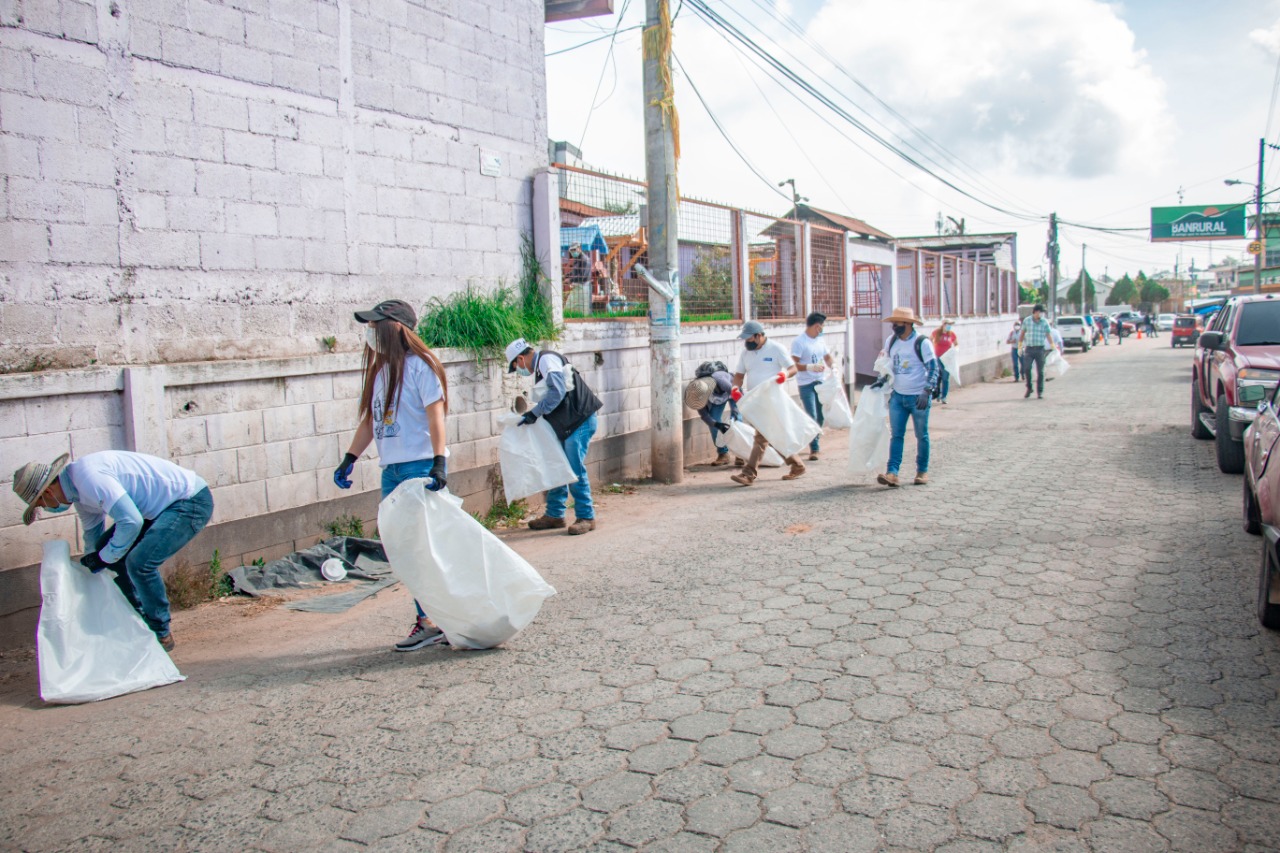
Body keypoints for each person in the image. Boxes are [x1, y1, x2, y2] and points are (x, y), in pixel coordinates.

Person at [334, 299, 451, 652]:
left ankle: (434, 620)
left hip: (418, 469)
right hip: (392, 471)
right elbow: (370, 421)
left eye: (376, 326)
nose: (372, 334)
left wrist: (439, 461)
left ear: (396, 327)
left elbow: (436, 417)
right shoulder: (381, 371)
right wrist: (349, 457)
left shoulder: (422, 366)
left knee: (423, 549)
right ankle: (431, 619)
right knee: (403, 550)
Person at [13, 451, 214, 652]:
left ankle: (160, 632)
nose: (45, 509)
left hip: (190, 501)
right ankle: (138, 620)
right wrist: (91, 563)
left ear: (47, 493)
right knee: (109, 553)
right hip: (159, 510)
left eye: (40, 504)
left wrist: (103, 558)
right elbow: (93, 533)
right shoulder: (79, 493)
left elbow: (131, 521)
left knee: (140, 563)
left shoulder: (89, 478)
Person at [506, 336, 603, 535]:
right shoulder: (543, 364)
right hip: (569, 422)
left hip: (579, 421)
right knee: (557, 464)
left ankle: (586, 517)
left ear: (521, 359)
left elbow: (557, 392)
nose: (519, 370)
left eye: (516, 366)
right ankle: (555, 515)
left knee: (574, 470)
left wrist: (535, 412)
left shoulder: (545, 360)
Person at [728, 320, 805, 486]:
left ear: (759, 335)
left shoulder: (776, 348)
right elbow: (739, 375)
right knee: (771, 435)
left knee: (761, 436)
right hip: (755, 400)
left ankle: (748, 474)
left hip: (772, 399)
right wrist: (735, 387)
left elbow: (793, 368)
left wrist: (784, 375)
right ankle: (797, 464)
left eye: (749, 339)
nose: (747, 342)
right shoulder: (746, 353)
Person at [872, 306, 938, 487]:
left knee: (921, 435)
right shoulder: (891, 341)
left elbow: (933, 368)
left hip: (918, 398)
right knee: (897, 435)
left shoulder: (922, 342)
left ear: (908, 323)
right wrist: (881, 379)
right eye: (893, 323)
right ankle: (892, 473)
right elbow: (886, 364)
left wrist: (927, 390)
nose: (894, 326)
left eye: (898, 323)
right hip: (898, 397)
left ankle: (922, 471)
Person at [791, 312, 834, 460]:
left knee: (821, 416)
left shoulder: (820, 340)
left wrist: (833, 366)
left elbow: (827, 357)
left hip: (820, 382)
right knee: (812, 415)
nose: (822, 329)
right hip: (806, 384)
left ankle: (812, 437)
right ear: (817, 326)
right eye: (821, 326)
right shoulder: (799, 342)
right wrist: (809, 367)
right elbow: (793, 365)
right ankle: (814, 448)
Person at [685, 362, 738, 466]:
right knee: (714, 422)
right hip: (717, 399)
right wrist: (717, 425)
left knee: (736, 418)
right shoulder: (697, 391)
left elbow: (737, 394)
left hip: (732, 391)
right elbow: (705, 416)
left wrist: (736, 411)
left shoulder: (720, 380)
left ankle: (740, 454)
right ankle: (723, 454)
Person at [1019, 304, 1054, 399]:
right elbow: (1022, 333)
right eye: (1040, 312)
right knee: (1027, 368)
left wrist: (1052, 344)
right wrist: (1020, 346)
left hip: (1040, 349)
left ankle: (1040, 391)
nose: (1041, 314)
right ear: (1035, 311)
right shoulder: (1027, 321)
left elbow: (1048, 334)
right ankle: (1029, 387)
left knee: (1041, 371)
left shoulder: (1044, 322)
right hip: (1029, 349)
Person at [930, 319, 958, 404]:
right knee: (938, 375)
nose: (949, 326)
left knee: (945, 377)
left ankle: (944, 396)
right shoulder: (936, 333)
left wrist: (956, 349)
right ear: (944, 324)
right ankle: (937, 394)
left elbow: (956, 344)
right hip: (938, 357)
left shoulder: (951, 334)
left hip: (947, 359)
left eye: (950, 324)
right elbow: (929, 340)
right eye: (948, 324)